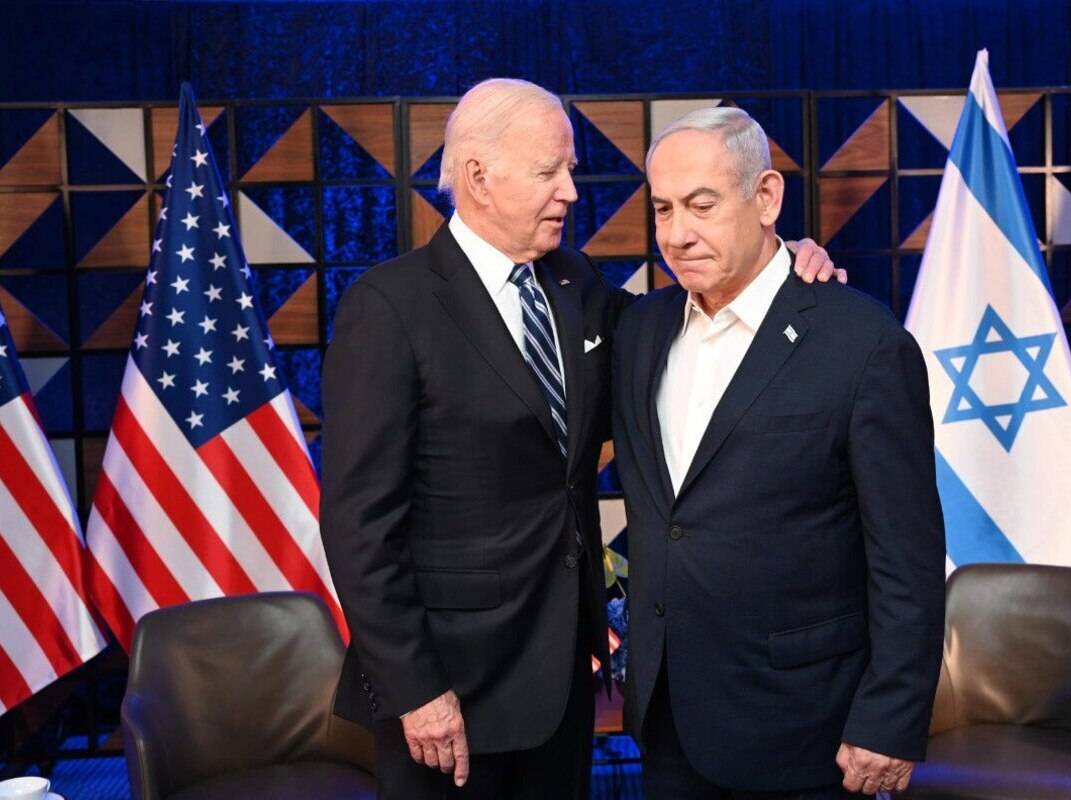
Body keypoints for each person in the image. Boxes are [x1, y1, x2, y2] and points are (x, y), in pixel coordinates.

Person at [320, 79, 841, 800]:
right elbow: (358, 526)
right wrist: (415, 689)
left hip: (562, 679)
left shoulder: (573, 282)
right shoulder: (389, 307)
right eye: (549, 172)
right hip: (448, 693)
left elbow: (681, 327)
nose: (571, 190)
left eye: (568, 169)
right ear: (477, 176)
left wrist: (780, 264)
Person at [611, 106, 946, 799]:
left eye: (702, 205)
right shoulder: (638, 331)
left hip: (805, 728)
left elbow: (906, 557)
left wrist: (891, 717)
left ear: (766, 198)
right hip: (668, 718)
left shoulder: (862, 344)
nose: (677, 234)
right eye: (664, 209)